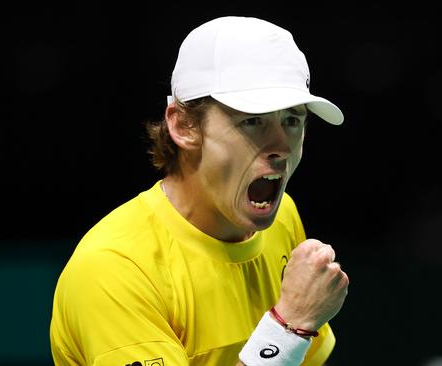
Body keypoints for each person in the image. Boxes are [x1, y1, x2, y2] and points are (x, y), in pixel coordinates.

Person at [50, 15, 349, 366]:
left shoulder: (283, 218)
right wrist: (288, 327)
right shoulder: (114, 269)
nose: (281, 146)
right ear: (184, 125)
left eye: (292, 119)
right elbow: (287, 339)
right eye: (252, 121)